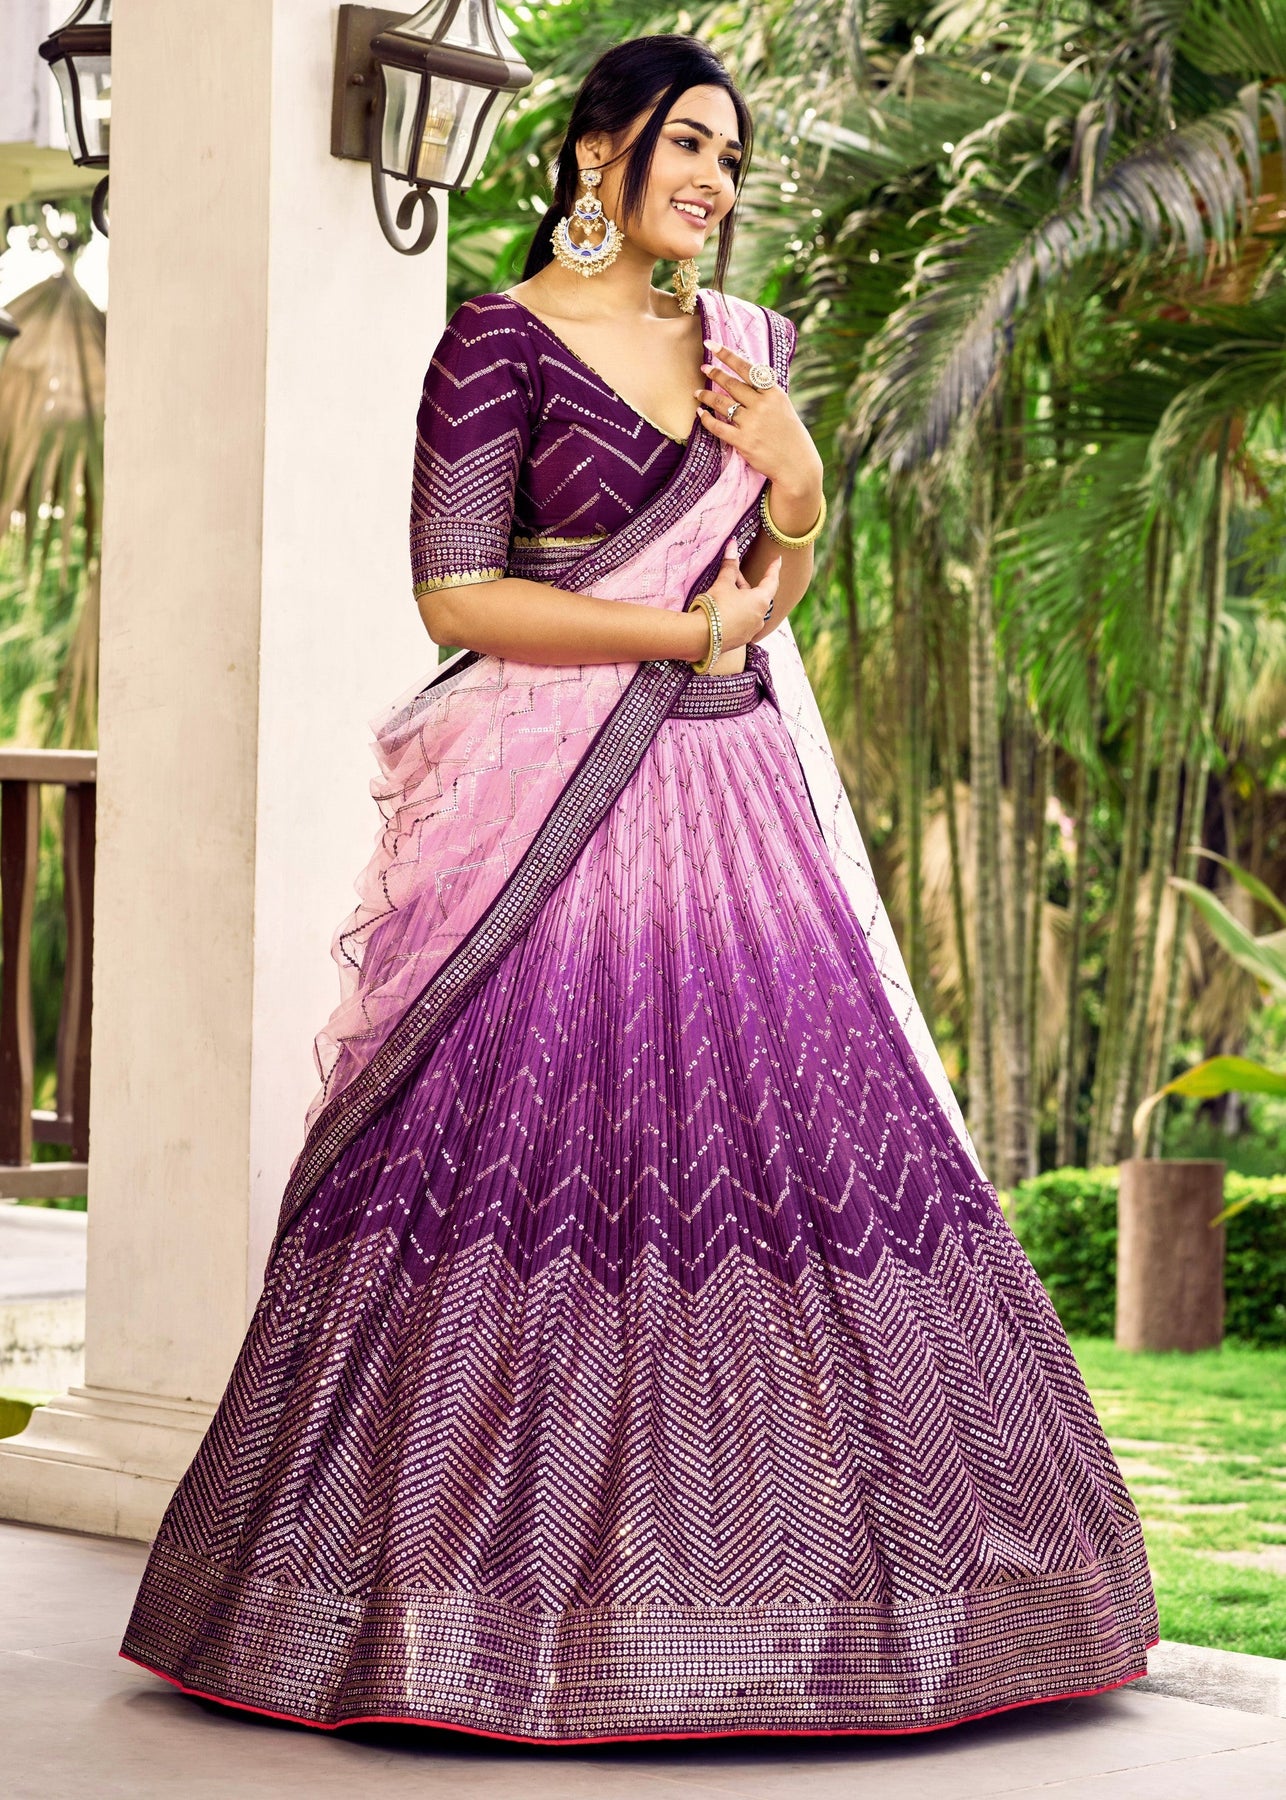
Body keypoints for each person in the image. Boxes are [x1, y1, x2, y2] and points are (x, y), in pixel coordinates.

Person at [119, 34, 1157, 1744]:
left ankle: (843, 1607)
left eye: (732, 158)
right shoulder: (498, 342)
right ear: (596, 152)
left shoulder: (746, 350)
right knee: (532, 1158)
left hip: (732, 797)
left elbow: (765, 585)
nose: (714, 182)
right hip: (551, 811)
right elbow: (458, 597)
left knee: (806, 1157)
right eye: (687, 144)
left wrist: (799, 484)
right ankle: (457, 1610)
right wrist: (680, 631)